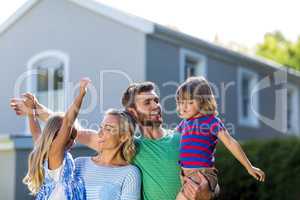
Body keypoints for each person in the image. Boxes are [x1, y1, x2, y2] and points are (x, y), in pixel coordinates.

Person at [11, 93, 141, 200]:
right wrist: (80, 94)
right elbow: (67, 124)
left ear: (124, 137)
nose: (100, 132)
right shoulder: (76, 164)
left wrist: (32, 113)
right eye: (101, 127)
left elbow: (51, 131)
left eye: (108, 128)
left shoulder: (130, 173)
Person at [175, 76, 265, 200]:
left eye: (190, 102)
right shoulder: (185, 123)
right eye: (180, 102)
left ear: (202, 101)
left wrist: (249, 167)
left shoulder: (211, 121)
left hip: (202, 173)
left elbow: (230, 142)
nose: (183, 107)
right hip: (184, 174)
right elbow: (170, 138)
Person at [12, 78, 90, 200]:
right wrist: (81, 94)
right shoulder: (55, 152)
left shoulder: (43, 149)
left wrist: (31, 112)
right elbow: (68, 121)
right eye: (70, 137)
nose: (74, 142)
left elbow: (36, 131)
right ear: (58, 135)